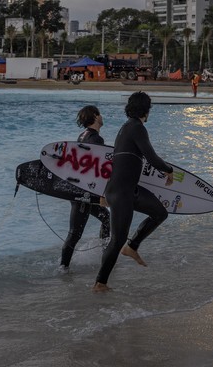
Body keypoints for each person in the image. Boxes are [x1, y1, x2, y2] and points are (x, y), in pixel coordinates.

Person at [93, 92, 174, 293]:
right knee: (117, 239)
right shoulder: (137, 128)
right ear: (145, 110)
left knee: (160, 213)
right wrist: (169, 170)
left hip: (128, 190)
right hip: (121, 192)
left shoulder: (126, 127)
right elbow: (152, 157)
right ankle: (100, 283)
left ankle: (133, 246)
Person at [59, 105, 111, 271]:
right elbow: (99, 171)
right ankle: (63, 268)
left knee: (106, 218)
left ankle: (104, 255)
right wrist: (103, 195)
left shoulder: (82, 136)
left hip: (81, 189)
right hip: (84, 193)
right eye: (100, 114)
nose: (102, 117)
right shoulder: (96, 140)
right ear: (95, 116)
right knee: (75, 233)